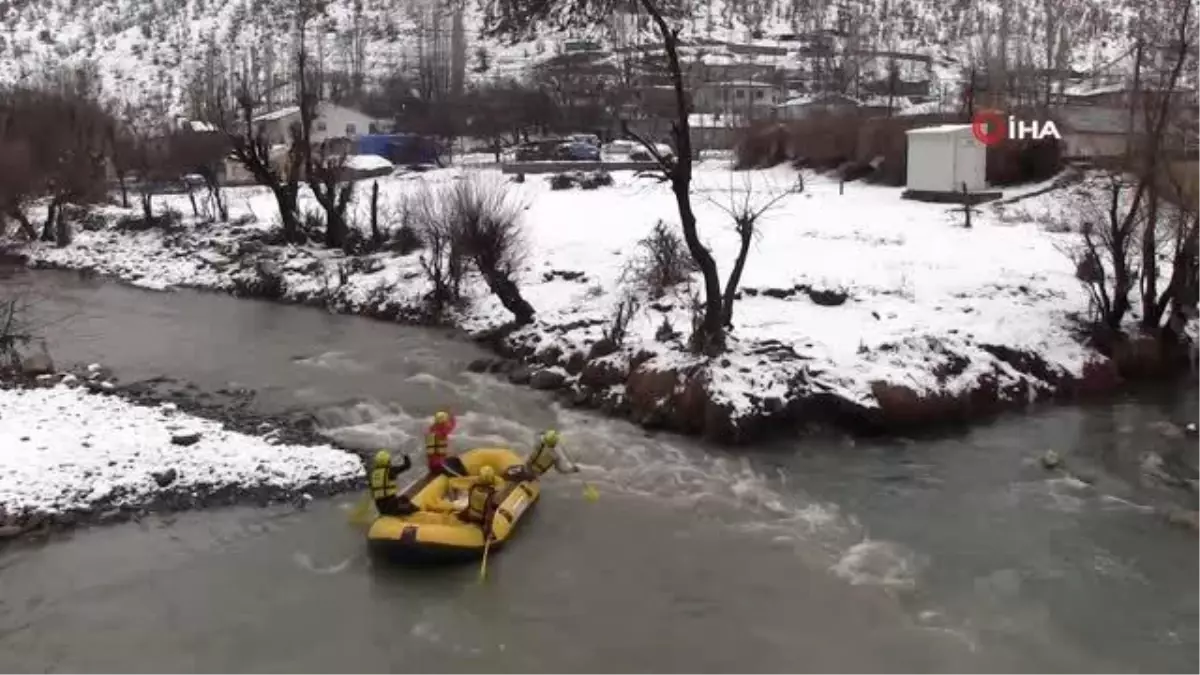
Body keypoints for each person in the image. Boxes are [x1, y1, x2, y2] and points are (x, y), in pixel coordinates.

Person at [505, 429, 580, 482]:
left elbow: (536, 434)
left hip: (526, 470)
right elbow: (561, 470)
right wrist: (572, 470)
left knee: (506, 473)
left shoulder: (540, 444)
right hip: (533, 475)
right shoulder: (556, 456)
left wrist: (544, 432)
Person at [368, 450, 415, 517]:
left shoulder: (372, 474)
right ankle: (417, 514)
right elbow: (407, 465)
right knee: (405, 500)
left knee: (401, 499)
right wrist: (405, 455)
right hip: (391, 507)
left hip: (380, 508)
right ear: (387, 461)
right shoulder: (390, 471)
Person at [425, 410, 467, 476]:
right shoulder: (439, 434)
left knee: (455, 459)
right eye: (446, 422)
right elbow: (449, 428)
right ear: (442, 423)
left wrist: (452, 419)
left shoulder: (433, 430)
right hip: (439, 465)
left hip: (437, 463)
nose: (447, 424)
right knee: (457, 473)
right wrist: (453, 419)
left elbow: (449, 428)